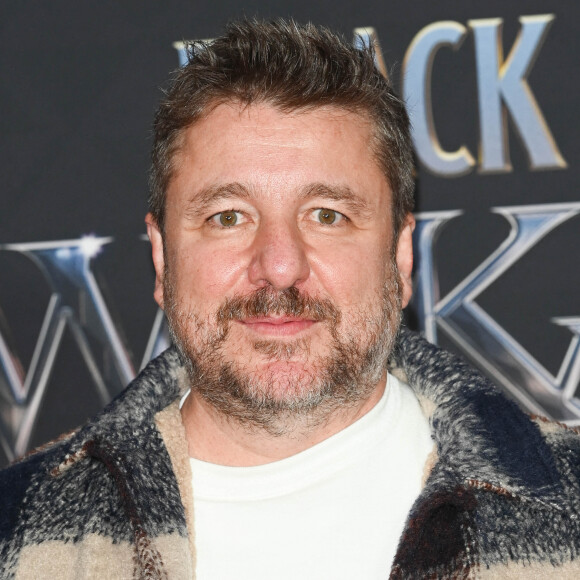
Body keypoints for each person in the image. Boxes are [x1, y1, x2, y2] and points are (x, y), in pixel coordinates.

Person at [1, 18, 579, 580]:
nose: (279, 265)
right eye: (228, 217)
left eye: (327, 215)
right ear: (161, 257)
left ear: (400, 255)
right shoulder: (14, 532)